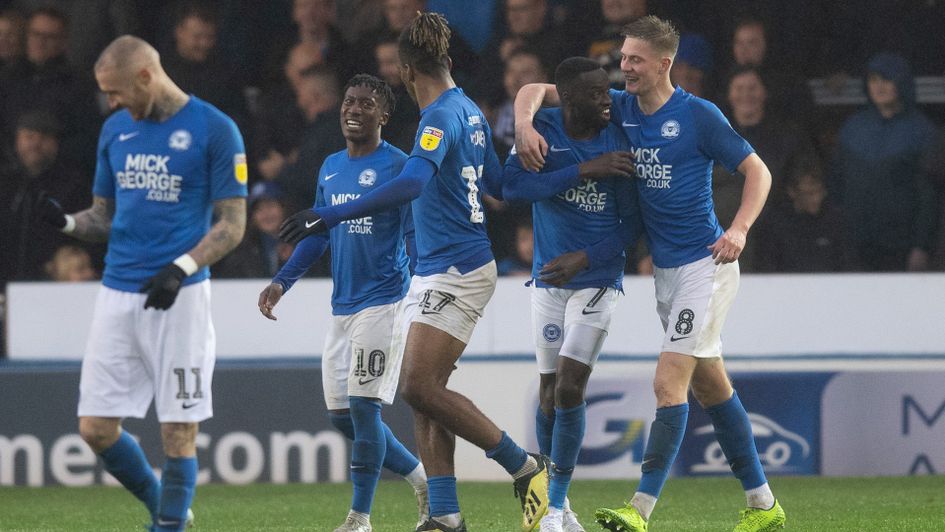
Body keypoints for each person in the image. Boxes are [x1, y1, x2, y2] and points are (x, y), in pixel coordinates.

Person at [277, 12, 550, 532]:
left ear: (405, 73)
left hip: (457, 268)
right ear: (446, 59)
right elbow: (501, 186)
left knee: (419, 388)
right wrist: (574, 172)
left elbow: (410, 186)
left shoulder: (439, 118)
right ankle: (445, 514)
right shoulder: (469, 109)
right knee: (427, 393)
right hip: (438, 269)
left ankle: (523, 466)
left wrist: (330, 213)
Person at [513, 16, 785, 532]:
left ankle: (639, 511)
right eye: (623, 58)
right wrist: (525, 124)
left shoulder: (699, 116)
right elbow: (534, 88)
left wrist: (740, 229)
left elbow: (758, 171)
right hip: (666, 271)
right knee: (713, 389)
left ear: (664, 63)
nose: (625, 67)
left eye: (635, 60)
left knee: (668, 383)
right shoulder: (617, 105)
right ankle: (763, 505)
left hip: (706, 265)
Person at [37, 35, 247, 532]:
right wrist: (66, 224)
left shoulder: (216, 129)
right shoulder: (115, 131)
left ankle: (169, 526)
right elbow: (105, 217)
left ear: (146, 77)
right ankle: (167, 506)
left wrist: (182, 268)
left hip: (182, 296)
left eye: (116, 92)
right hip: (117, 290)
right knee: (94, 428)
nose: (111, 104)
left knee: (178, 428)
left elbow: (232, 224)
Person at [258, 73, 428, 532]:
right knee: (342, 418)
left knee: (364, 409)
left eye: (366, 104)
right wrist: (282, 281)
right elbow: (319, 233)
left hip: (385, 300)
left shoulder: (399, 167)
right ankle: (421, 479)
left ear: (384, 116)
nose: (354, 109)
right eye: (349, 101)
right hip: (343, 305)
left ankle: (360, 518)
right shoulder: (331, 166)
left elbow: (413, 234)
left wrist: (416, 289)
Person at [502, 56, 641, 532]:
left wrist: (585, 258)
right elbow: (512, 187)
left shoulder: (618, 139)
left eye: (609, 91)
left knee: (568, 387)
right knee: (546, 396)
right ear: (568, 100)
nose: (608, 100)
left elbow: (632, 226)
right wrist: (582, 171)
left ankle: (555, 507)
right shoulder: (542, 131)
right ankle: (558, 504)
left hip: (599, 279)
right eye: (597, 94)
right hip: (548, 281)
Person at [831, 52, 939, 272]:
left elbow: (929, 197)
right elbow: (836, 185)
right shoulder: (853, 128)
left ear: (901, 83)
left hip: (901, 247)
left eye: (886, 79)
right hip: (854, 245)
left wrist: (922, 247)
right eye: (873, 80)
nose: (879, 87)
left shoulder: (922, 132)